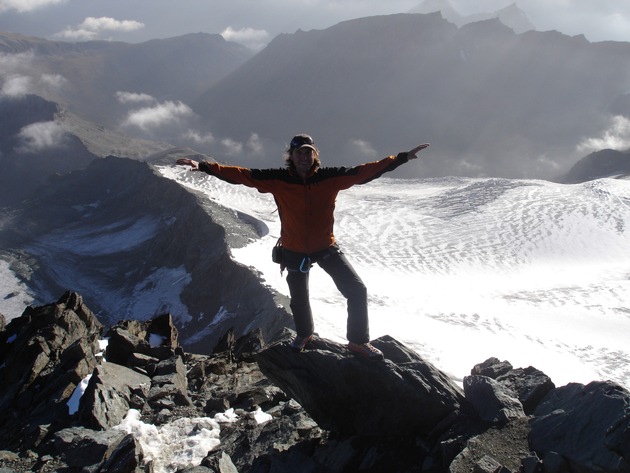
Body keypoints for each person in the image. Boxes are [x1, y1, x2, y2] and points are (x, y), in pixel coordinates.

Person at [177, 134, 429, 359]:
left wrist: (402, 158)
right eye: (299, 152)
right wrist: (203, 167)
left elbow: (365, 171)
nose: (304, 156)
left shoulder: (330, 177)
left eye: (308, 152)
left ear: (314, 155)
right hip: (294, 249)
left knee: (356, 289)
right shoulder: (278, 179)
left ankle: (358, 341)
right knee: (299, 299)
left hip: (324, 246)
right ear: (291, 156)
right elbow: (242, 175)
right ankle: (305, 335)